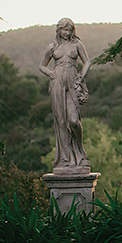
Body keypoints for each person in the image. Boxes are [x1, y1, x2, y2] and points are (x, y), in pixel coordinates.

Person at [39, 18, 91, 174]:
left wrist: (81, 76)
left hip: (73, 79)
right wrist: (51, 73)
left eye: (70, 30)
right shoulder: (53, 47)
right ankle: (65, 159)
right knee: (61, 121)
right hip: (57, 82)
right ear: (59, 30)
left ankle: (81, 153)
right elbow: (42, 65)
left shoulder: (77, 44)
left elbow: (87, 62)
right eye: (64, 30)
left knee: (73, 120)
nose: (67, 33)